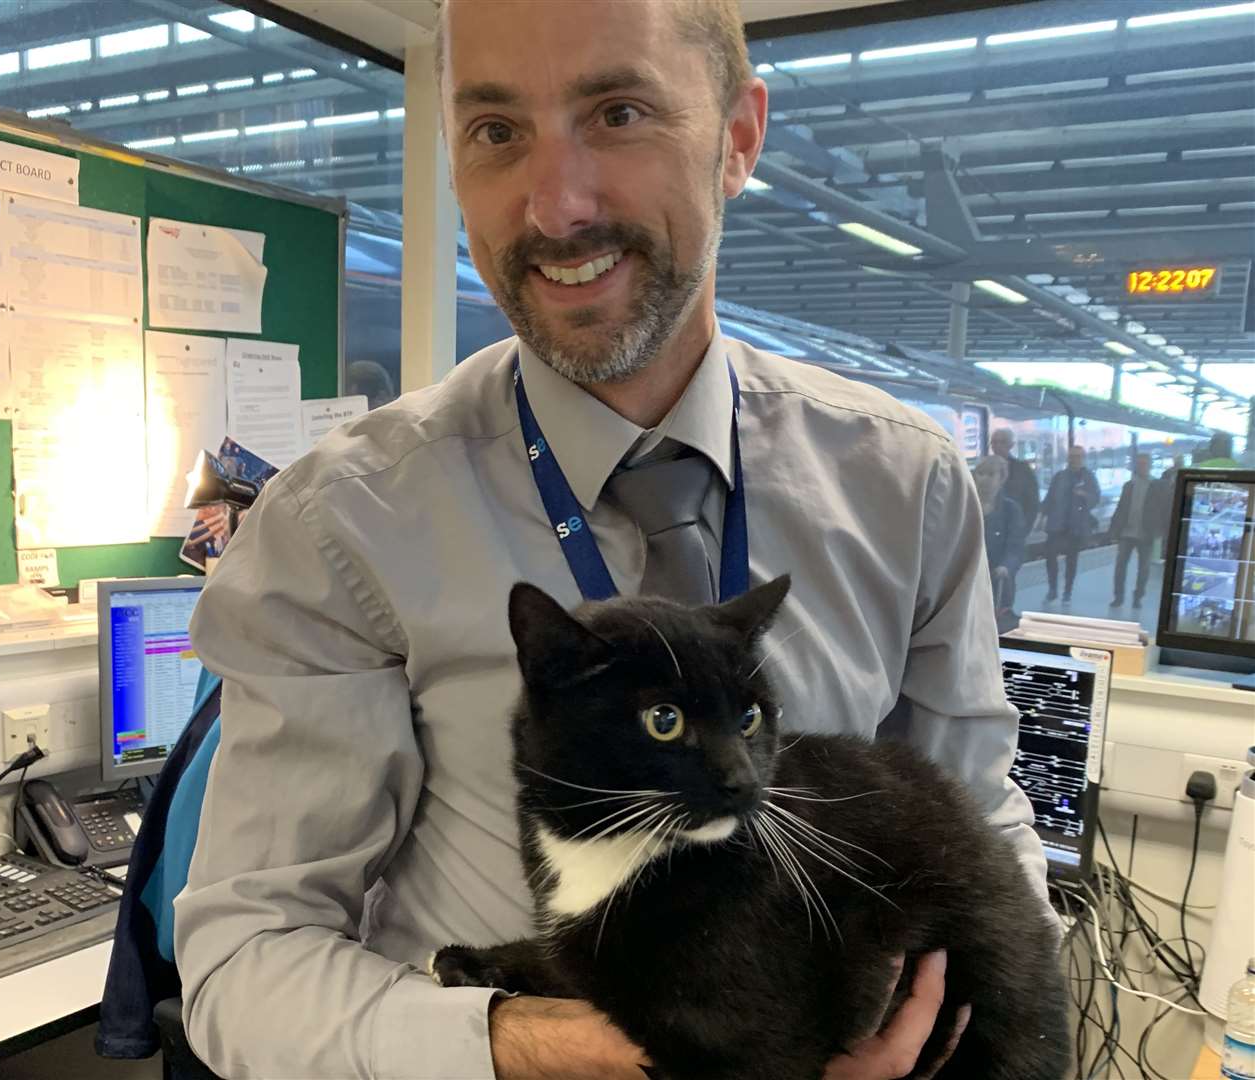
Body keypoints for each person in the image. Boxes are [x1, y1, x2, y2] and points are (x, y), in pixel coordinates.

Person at [172, 3, 1048, 1077]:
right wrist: (536, 1044)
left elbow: (981, 818)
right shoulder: (338, 524)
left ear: (736, 138)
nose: (554, 206)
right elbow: (240, 960)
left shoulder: (902, 481)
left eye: (618, 112)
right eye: (496, 132)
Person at [1040, 444, 1101, 603]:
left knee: (1071, 561)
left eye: (1078, 456)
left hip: (1076, 526)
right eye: (1072, 456)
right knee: (1050, 557)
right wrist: (1041, 516)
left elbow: (1096, 498)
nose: (1074, 459)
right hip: (1056, 524)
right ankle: (1052, 589)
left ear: (1083, 458)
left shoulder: (1089, 477)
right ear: (1068, 458)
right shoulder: (1059, 476)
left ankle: (1067, 592)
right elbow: (1049, 498)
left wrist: (1084, 494)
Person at [973, 456, 1026, 624]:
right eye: (980, 473)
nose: (984, 479)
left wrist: (1006, 566)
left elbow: (1016, 546)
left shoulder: (1011, 509)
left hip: (997, 580)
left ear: (1001, 478)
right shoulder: (965, 504)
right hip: (968, 579)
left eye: (990, 474)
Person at [1108, 453, 1158, 609]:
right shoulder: (1128, 485)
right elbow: (1120, 508)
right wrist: (1113, 530)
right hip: (1126, 533)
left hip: (1146, 534)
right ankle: (1118, 597)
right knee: (1120, 565)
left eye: (1144, 464)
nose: (1142, 467)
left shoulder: (1156, 486)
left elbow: (1162, 509)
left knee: (1143, 569)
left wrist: (1159, 530)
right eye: (1139, 464)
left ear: (1150, 465)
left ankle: (1138, 597)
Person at [989, 427, 1039, 532]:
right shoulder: (985, 467)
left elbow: (1033, 501)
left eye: (1002, 442)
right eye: (994, 442)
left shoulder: (1023, 469)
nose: (997, 446)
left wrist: (1024, 529)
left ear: (1011, 445)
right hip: (989, 526)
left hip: (1014, 526)